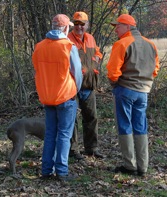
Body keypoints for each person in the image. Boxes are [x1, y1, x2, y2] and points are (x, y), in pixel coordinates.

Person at [106, 14, 160, 176]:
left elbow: (112, 72)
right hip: (143, 91)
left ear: (127, 27)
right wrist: (145, 83)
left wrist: (115, 84)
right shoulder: (151, 44)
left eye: (118, 26)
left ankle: (130, 165)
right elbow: (155, 69)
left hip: (125, 89)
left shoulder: (122, 43)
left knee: (124, 125)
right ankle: (143, 167)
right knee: (140, 126)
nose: (115, 29)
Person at [32, 14, 83, 181]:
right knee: (64, 135)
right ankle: (61, 172)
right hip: (66, 96)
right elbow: (77, 73)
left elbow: (37, 70)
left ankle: (46, 171)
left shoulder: (39, 46)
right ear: (66, 28)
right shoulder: (69, 47)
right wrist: (76, 90)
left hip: (47, 97)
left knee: (50, 134)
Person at [68, 11, 105, 159]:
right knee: (72, 118)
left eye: (82, 24)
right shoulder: (68, 39)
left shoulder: (90, 38)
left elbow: (98, 52)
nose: (79, 27)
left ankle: (91, 148)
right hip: (72, 86)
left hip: (89, 84)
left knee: (91, 117)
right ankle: (72, 150)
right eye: (76, 23)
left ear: (87, 25)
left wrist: (95, 61)